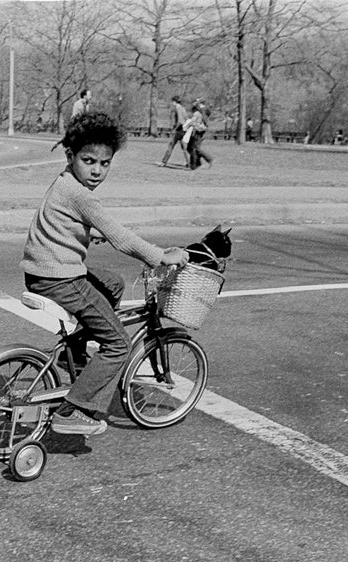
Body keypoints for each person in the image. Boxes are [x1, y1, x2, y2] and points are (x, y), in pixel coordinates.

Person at [21, 112, 189, 436]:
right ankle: (74, 410)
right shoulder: (80, 194)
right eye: (89, 161)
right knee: (119, 345)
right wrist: (161, 256)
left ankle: (77, 353)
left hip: (43, 272)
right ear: (70, 156)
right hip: (61, 279)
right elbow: (120, 235)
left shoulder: (65, 182)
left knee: (113, 283)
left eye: (105, 163)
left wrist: (85, 235)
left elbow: (62, 225)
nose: (97, 170)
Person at [159, 94, 188, 167]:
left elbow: (180, 121)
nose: (172, 103)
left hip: (178, 130)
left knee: (170, 146)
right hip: (184, 130)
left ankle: (164, 162)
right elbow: (186, 119)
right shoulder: (183, 108)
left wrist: (174, 129)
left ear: (175, 102)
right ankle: (189, 162)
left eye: (173, 102)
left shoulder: (178, 108)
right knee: (184, 147)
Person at [184, 102, 212, 170]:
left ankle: (207, 159)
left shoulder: (200, 112)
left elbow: (195, 122)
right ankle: (196, 163)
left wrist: (187, 126)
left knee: (194, 148)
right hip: (197, 131)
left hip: (199, 132)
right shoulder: (201, 112)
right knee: (191, 147)